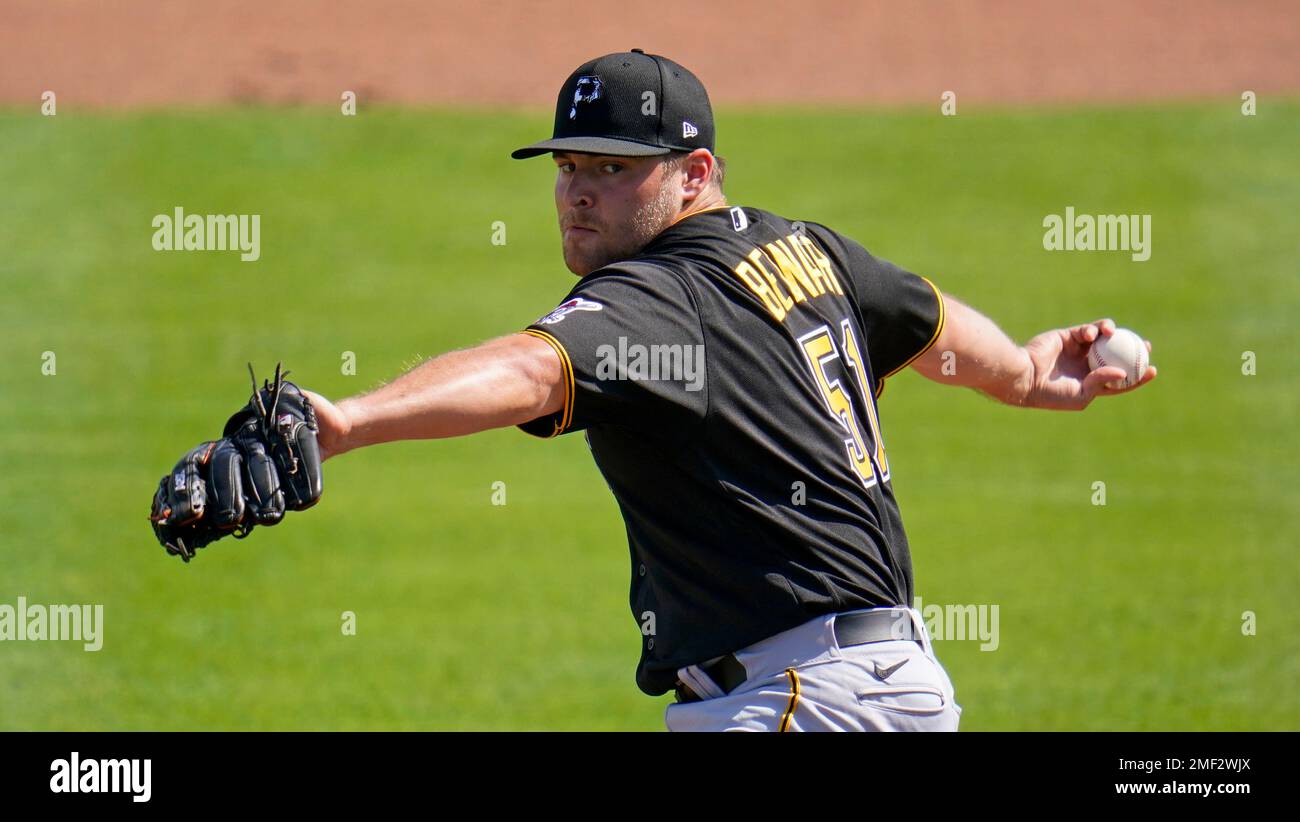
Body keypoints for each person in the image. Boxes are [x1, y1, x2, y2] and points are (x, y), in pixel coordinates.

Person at [303, 50, 1156, 731]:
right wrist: (1024, 374)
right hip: (884, 685)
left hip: (800, 697)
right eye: (567, 165)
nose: (578, 192)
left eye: (614, 167)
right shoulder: (809, 251)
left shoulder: (659, 296)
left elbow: (530, 371)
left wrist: (346, 422)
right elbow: (932, 324)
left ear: (694, 172)